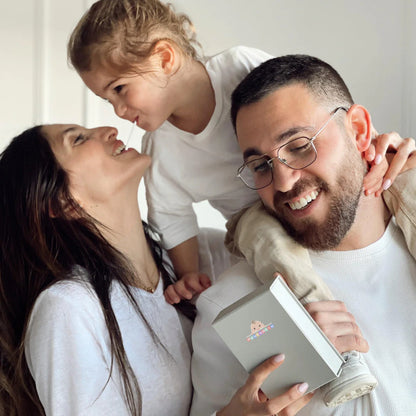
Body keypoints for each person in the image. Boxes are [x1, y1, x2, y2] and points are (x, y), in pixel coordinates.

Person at [67, 0, 416, 407]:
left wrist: (373, 152)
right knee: (267, 240)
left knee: (403, 176)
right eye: (109, 99)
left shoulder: (240, 67)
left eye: (120, 90)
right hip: (251, 219)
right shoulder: (161, 153)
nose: (119, 112)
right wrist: (189, 273)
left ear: (163, 57)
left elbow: (300, 97)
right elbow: (173, 218)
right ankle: (336, 351)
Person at [0, 124, 315, 416]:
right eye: (79, 139)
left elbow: (300, 253)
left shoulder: (196, 258)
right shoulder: (68, 308)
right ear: (63, 202)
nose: (109, 129)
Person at [190, 55, 416, 416]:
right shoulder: (233, 307)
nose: (282, 182)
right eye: (260, 165)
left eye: (298, 146)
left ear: (358, 131)